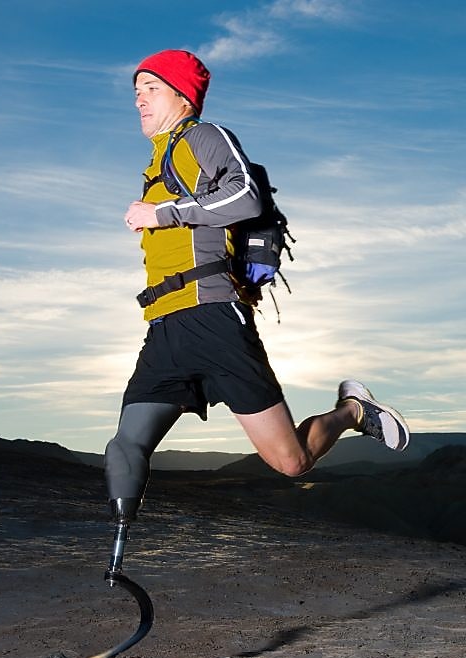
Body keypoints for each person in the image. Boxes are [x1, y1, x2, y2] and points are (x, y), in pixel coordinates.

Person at [104, 49, 409, 526]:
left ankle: (352, 411)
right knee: (126, 445)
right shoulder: (158, 159)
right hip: (164, 327)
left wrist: (159, 213)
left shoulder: (203, 136)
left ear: (183, 95)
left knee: (291, 462)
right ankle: (116, 563)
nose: (138, 99)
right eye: (136, 91)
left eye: (152, 89)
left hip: (212, 316)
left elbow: (247, 196)